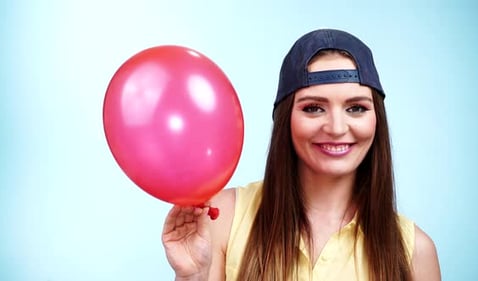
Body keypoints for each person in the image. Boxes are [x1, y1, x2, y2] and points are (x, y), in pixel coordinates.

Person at [161, 28, 441, 281]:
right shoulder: (222, 217)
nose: (336, 127)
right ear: (286, 120)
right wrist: (192, 276)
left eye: (356, 108)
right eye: (313, 108)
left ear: (376, 119)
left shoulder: (415, 252)